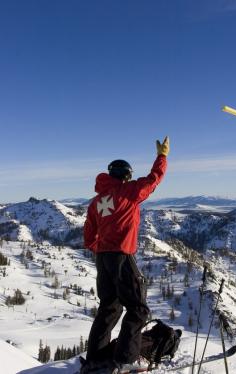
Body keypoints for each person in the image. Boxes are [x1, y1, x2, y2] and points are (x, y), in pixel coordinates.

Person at [82, 136, 170, 373]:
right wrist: (162, 157)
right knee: (138, 309)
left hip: (103, 258)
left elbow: (88, 235)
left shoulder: (96, 202)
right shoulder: (129, 191)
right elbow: (153, 180)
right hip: (121, 256)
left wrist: (100, 249)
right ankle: (125, 359)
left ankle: (95, 359)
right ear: (126, 176)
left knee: (109, 307)